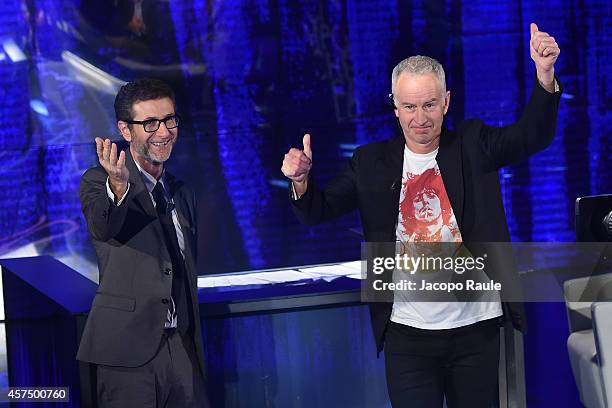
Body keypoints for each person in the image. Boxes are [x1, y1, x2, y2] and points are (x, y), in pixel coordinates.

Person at [281, 23, 561, 407]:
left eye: (429, 105)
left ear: (446, 101)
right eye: (409, 106)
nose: (420, 118)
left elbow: (532, 135)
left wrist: (544, 75)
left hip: (475, 330)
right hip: (407, 336)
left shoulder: (473, 144)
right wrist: (301, 181)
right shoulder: (371, 162)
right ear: (395, 107)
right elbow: (318, 211)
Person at [77, 78, 210, 407]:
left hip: (181, 346)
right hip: (126, 351)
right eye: (150, 123)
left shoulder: (183, 192)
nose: (163, 132)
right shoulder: (99, 181)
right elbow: (103, 227)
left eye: (169, 120)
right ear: (125, 130)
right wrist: (119, 190)